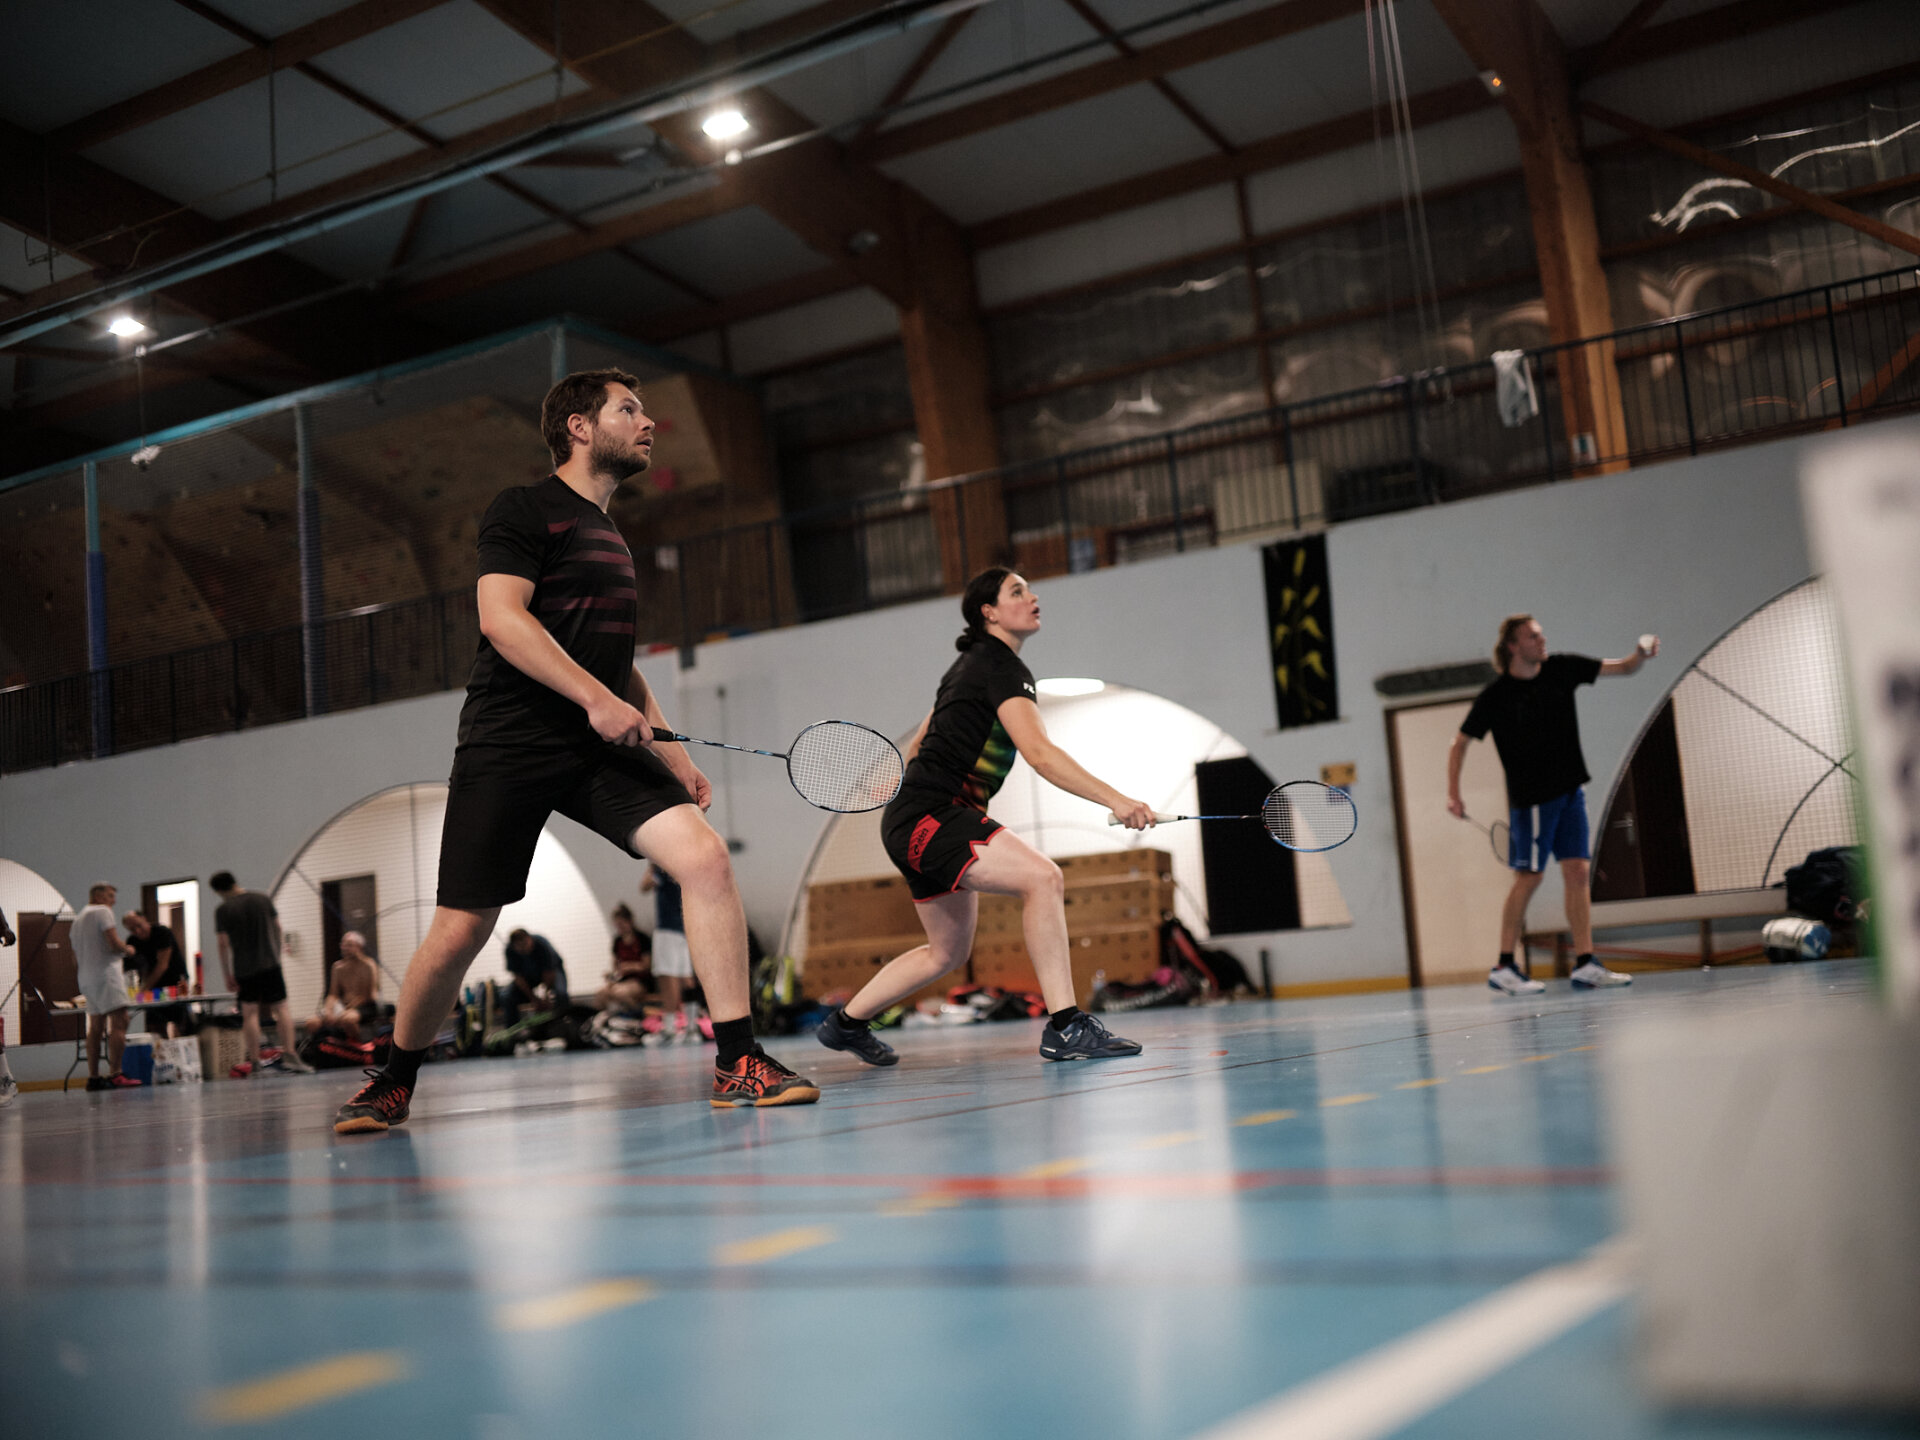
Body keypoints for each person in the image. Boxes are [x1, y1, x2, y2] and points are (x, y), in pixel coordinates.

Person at [333, 368, 817, 1134]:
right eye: (629, 410)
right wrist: (594, 700)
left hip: (595, 749)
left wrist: (673, 751)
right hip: (509, 740)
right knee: (462, 929)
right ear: (580, 427)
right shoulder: (523, 508)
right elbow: (502, 619)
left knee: (704, 859)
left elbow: (617, 664)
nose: (648, 423)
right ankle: (393, 1079)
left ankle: (739, 1062)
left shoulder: (612, 537)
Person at [816, 568, 1153, 1068]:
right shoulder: (1000, 666)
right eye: (1017, 591)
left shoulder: (965, 666)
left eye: (1030, 589)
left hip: (913, 820)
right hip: (934, 816)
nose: (1033, 597)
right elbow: (1039, 753)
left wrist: (904, 790)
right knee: (1043, 878)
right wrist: (1116, 800)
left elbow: (921, 740)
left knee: (946, 953)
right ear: (988, 612)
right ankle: (1066, 1026)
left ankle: (845, 1024)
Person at [1448, 614, 1657, 995]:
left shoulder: (1561, 669)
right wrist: (1453, 793)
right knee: (1530, 877)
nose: (1542, 641)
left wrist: (1640, 655)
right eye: (1533, 636)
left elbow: (1624, 667)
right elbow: (1459, 743)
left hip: (1571, 792)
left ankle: (1585, 963)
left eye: (1541, 635)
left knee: (1577, 872)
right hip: (1532, 801)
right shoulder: (1496, 696)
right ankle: (1504, 966)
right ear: (1513, 646)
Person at [212, 871, 314, 1076]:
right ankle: (290, 1055)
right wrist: (276, 954)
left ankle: (255, 1062)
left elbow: (223, 943)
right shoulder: (262, 899)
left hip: (244, 968)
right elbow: (278, 928)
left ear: (219, 890)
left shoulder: (223, 909)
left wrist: (227, 973)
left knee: (249, 1013)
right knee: (281, 1008)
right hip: (270, 964)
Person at [72, 883, 139, 1090]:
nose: (113, 901)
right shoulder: (102, 911)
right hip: (107, 976)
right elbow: (113, 942)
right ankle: (116, 1073)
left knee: (95, 1027)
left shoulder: (77, 920)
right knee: (120, 1020)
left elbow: (74, 958)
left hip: (86, 978)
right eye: (110, 896)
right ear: (98, 896)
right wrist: (128, 950)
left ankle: (93, 1077)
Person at [642, 863, 698, 1042]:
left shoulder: (663, 867)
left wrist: (652, 866)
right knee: (686, 978)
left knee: (668, 978)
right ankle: (692, 1028)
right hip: (682, 929)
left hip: (667, 930)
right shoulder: (681, 867)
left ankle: (669, 1029)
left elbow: (644, 886)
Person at [303, 931, 381, 1041]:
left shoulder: (368, 965)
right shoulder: (338, 967)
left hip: (363, 1006)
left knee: (348, 1020)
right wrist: (329, 1010)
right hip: (343, 1005)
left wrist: (349, 1010)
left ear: (358, 946)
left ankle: (358, 1046)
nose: (345, 948)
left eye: (349, 945)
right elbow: (333, 994)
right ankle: (326, 1047)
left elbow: (370, 996)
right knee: (311, 1023)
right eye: (343, 945)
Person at [123, 909, 188, 1037]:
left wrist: (144, 989)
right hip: (153, 988)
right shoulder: (133, 941)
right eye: (132, 929)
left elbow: (162, 965)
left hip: (174, 982)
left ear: (144, 919)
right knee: (155, 1025)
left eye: (139, 926)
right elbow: (128, 968)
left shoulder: (162, 932)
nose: (137, 931)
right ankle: (160, 1047)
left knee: (179, 1024)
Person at [499, 929, 568, 1025]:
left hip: (552, 971)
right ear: (514, 946)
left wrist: (545, 997)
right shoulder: (510, 950)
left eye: (525, 944)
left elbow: (549, 972)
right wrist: (534, 999)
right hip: (528, 975)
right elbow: (518, 978)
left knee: (561, 993)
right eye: (519, 947)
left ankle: (565, 1024)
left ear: (530, 939)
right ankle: (514, 1030)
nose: (523, 949)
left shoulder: (542, 944)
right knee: (507, 997)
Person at [594, 904, 654, 1014]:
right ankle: (602, 1018)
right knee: (601, 993)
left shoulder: (642, 939)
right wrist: (611, 975)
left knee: (619, 993)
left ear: (630, 921)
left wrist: (630, 967)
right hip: (623, 979)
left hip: (641, 980)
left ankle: (638, 1014)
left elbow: (647, 965)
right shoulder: (617, 941)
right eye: (617, 924)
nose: (620, 927)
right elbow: (615, 966)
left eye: (622, 924)